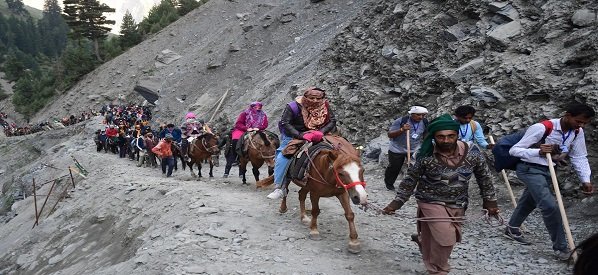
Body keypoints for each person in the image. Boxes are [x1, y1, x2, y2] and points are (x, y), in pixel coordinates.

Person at [382, 114, 499, 275]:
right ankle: (438, 270)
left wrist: (490, 201)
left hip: (458, 202)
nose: (446, 140)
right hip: (430, 201)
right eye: (441, 137)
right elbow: (410, 180)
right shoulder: (424, 155)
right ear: (434, 137)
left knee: (450, 235)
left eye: (450, 136)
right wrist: (397, 203)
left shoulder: (472, 151)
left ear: (457, 135)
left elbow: (484, 177)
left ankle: (424, 242)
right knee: (446, 238)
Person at [504, 103, 595, 261]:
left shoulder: (577, 132)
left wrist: (585, 179)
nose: (581, 126)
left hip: (548, 170)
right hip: (529, 168)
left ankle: (512, 228)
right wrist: (538, 151)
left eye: (584, 123)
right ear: (567, 115)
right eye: (578, 121)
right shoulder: (542, 127)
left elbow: (579, 156)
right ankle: (561, 249)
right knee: (550, 205)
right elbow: (514, 150)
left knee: (530, 200)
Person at [267, 87, 337, 199]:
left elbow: (332, 120)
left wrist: (321, 132)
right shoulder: (292, 107)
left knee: (339, 150)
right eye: (312, 98)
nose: (315, 101)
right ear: (305, 97)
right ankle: (280, 187)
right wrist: (301, 135)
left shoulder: (325, 106)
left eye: (318, 98)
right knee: (283, 157)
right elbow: (286, 123)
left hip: (319, 134)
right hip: (295, 135)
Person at [384, 106, 429, 191]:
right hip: (397, 149)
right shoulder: (401, 121)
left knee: (416, 168)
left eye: (423, 115)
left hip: (415, 148)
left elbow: (425, 134)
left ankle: (411, 185)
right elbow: (390, 135)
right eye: (418, 115)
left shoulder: (424, 122)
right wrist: (402, 129)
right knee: (394, 167)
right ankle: (389, 184)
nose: (421, 117)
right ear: (412, 114)